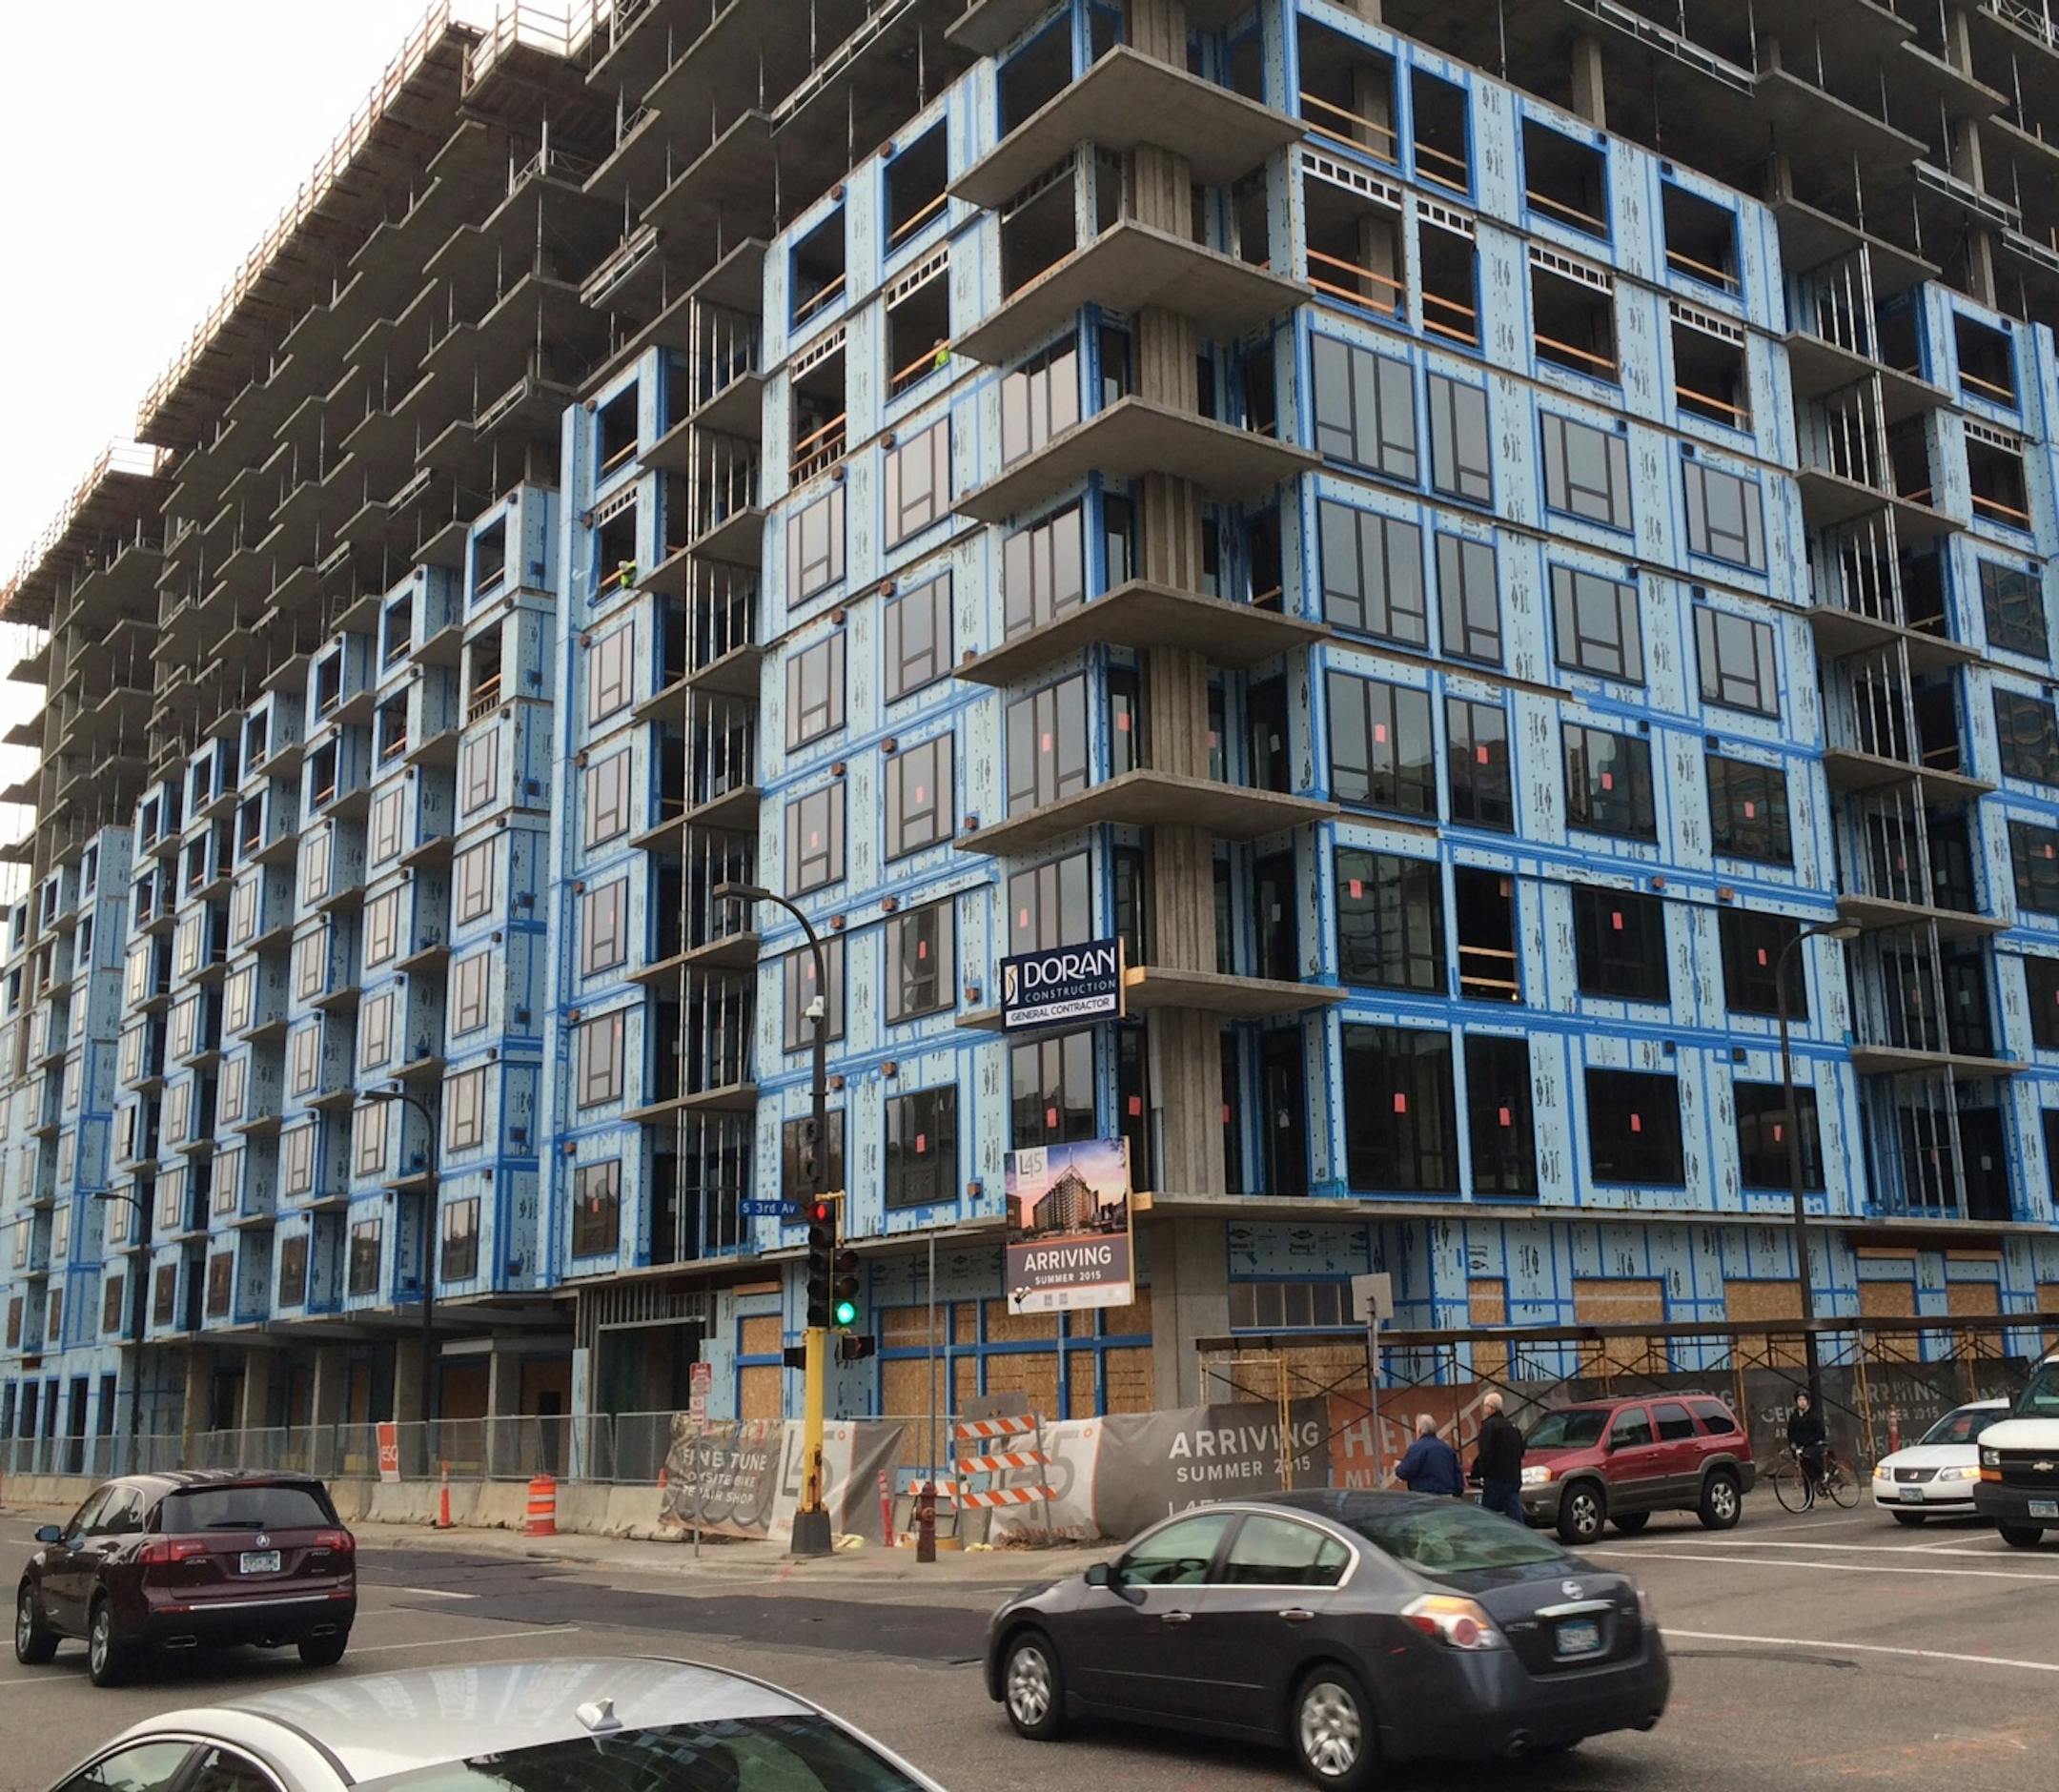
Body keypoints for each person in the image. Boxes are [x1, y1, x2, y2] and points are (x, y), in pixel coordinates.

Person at [1474, 1392, 1527, 1522]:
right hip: (1512, 1477)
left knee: (1488, 1515)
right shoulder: (1512, 1427)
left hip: (1495, 1479)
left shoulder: (1488, 1427)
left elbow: (1486, 1453)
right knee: (1515, 1513)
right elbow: (1521, 1451)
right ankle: (1521, 1536)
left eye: (1485, 1406)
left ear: (1490, 1408)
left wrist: (1479, 1471)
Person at [1394, 1414, 1465, 1497]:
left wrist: (1398, 1467)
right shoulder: (1447, 1449)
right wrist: (1457, 1494)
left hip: (1425, 1497)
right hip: (1447, 1497)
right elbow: (1457, 1475)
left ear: (1420, 1430)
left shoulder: (1417, 1448)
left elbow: (1405, 1472)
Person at [1787, 1390, 1827, 1494]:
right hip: (1800, 1447)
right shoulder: (1794, 1416)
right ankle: (1809, 1501)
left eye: (1804, 1399)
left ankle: (1822, 1474)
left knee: (1811, 1455)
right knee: (1806, 1474)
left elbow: (1820, 1432)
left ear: (1808, 1401)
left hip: (1814, 1444)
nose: (1802, 1402)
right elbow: (1790, 1432)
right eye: (1799, 1400)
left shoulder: (1814, 1415)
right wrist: (1792, 1443)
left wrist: (1808, 1442)